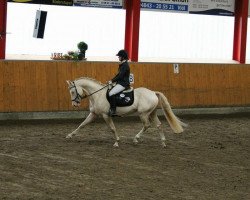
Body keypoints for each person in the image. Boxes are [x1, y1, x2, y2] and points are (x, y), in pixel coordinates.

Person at [108, 49, 130, 116]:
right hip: (120, 83)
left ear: (122, 57)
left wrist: (112, 81)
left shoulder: (125, 65)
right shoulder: (122, 64)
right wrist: (111, 80)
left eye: (119, 56)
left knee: (111, 93)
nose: (118, 57)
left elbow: (120, 76)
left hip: (123, 84)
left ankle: (113, 110)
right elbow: (118, 75)